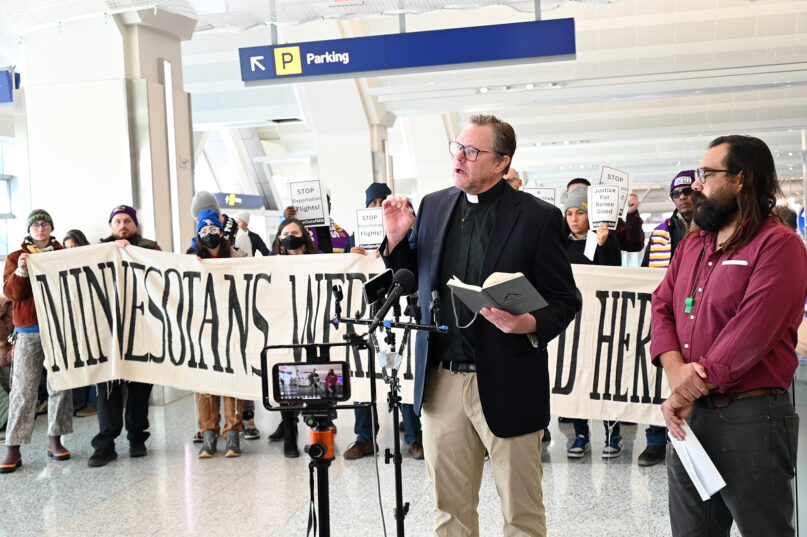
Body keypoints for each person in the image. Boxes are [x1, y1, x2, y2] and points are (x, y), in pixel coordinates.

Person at [383, 114, 580, 536]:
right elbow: (412, 280)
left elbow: (565, 299)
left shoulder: (538, 218)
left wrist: (527, 321)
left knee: (521, 513)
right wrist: (399, 240)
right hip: (442, 381)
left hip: (509, 378)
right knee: (450, 512)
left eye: (473, 151)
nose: (460, 157)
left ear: (501, 163)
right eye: (458, 147)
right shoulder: (433, 207)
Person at [652, 135, 807, 536]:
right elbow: (662, 304)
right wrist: (673, 369)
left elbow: (749, 334)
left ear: (741, 178)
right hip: (691, 420)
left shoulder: (779, 246)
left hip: (750, 419)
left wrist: (682, 392)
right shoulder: (693, 244)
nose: (696, 184)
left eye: (707, 174)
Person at [343, 182, 425, 461]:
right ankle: (365, 438)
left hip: (400, 315)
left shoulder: (408, 230)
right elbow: (341, 273)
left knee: (401, 373)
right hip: (368, 317)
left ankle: (414, 436)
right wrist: (351, 258)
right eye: (373, 203)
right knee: (364, 376)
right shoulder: (355, 235)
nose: (378, 207)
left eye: (382, 201)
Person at [88, 205, 161, 468]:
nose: (122, 225)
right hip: (109, 333)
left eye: (127, 221)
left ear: (135, 225)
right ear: (110, 226)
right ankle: (105, 444)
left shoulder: (151, 249)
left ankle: (137, 438)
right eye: (117, 221)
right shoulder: (98, 250)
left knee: (140, 389)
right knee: (108, 390)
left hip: (142, 330)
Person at [1, 210, 72, 474]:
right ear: (29, 230)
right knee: (23, 388)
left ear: (51, 228)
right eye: (35, 225)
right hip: (28, 329)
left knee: (61, 384)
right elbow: (12, 294)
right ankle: (13, 448)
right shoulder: (14, 257)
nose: (40, 228)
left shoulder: (64, 254)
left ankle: (55, 439)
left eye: (45, 224)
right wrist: (21, 269)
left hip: (59, 327)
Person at [189, 192, 260, 441]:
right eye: (203, 226)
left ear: (221, 227)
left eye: (213, 226)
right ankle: (208, 428)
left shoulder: (237, 255)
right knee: (206, 379)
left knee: (234, 378)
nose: (209, 231)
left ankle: (236, 426)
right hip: (204, 330)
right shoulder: (191, 258)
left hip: (233, 328)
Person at [636, 170, 695, 467]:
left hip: (698, 314)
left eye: (687, 192)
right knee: (656, 377)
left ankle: (690, 442)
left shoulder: (715, 227)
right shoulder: (662, 231)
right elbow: (647, 272)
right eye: (677, 194)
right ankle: (656, 441)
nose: (682, 198)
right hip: (669, 312)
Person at [560, 186, 623, 459]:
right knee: (578, 379)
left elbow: (612, 275)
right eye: (570, 213)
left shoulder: (606, 239)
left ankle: (613, 433)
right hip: (572, 322)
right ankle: (581, 433)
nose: (574, 219)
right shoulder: (559, 243)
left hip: (601, 321)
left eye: (580, 213)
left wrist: (603, 244)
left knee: (606, 378)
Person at [267, 217, 318, 458]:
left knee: (312, 379)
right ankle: (289, 431)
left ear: (304, 238)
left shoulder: (317, 260)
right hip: (284, 329)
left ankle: (317, 428)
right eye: (286, 232)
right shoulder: (271, 264)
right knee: (287, 381)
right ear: (279, 239)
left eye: (295, 232)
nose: (290, 236)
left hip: (312, 328)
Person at [62, 229, 99, 418]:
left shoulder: (93, 261)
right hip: (73, 321)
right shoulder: (62, 265)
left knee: (93, 361)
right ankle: (79, 403)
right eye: (68, 247)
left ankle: (91, 403)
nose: (72, 250)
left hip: (93, 320)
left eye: (75, 246)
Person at [566, 178, 645, 252]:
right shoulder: (561, 226)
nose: (574, 218)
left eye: (583, 192)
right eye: (573, 193)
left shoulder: (608, 222)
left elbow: (635, 245)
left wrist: (631, 214)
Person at [283, 190, 350, 253]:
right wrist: (288, 222)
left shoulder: (342, 235)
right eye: (311, 201)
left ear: (329, 205)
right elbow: (279, 248)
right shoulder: (296, 232)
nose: (317, 205)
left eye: (322, 201)